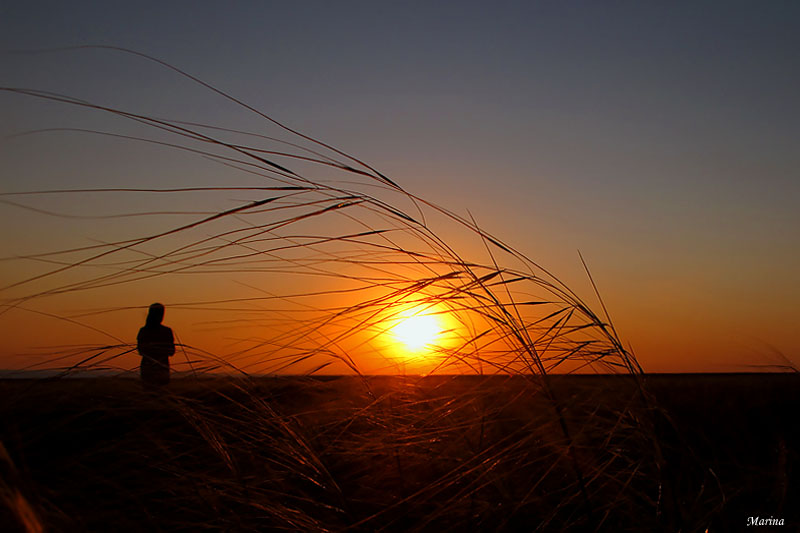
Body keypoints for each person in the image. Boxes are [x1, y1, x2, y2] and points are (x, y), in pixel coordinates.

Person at [137, 303, 175, 387]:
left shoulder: (144, 330)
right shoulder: (166, 331)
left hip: (153, 367)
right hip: (156, 367)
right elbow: (171, 351)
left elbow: (140, 350)